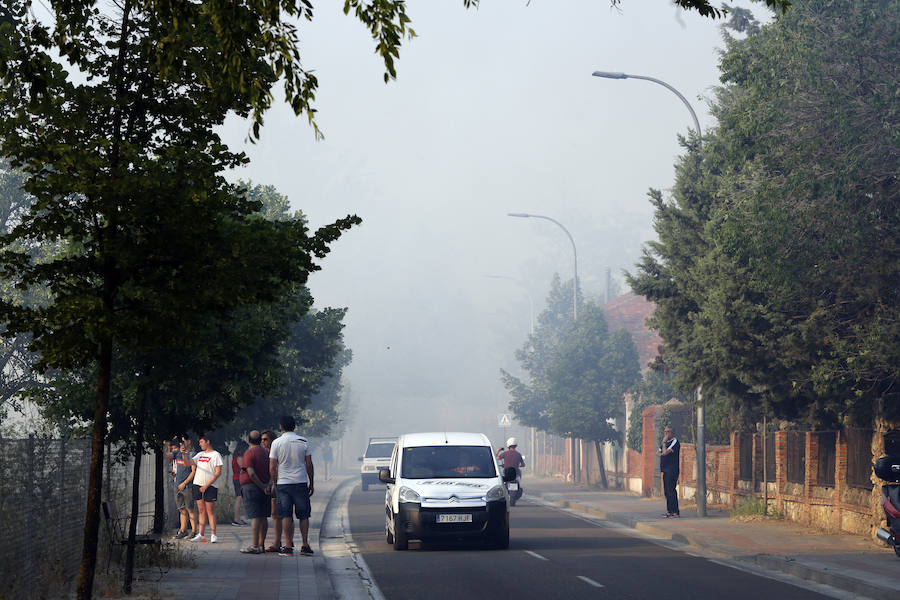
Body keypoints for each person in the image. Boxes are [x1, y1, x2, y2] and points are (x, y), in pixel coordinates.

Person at [269, 415, 314, 557]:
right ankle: (305, 545)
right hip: (300, 482)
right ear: (294, 426)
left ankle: (288, 546)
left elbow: (272, 467)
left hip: (283, 483)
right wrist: (311, 482)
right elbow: (309, 464)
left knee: (286, 514)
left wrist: (275, 483)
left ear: (281, 427)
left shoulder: (276, 443)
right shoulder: (304, 441)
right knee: (303, 514)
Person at [239, 430, 271, 554]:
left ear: (249, 440)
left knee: (255, 517)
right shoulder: (266, 452)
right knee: (263, 517)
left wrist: (261, 486)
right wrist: (266, 485)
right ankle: (262, 545)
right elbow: (272, 470)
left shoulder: (249, 453)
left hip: (252, 488)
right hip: (264, 487)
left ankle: (254, 545)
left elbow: (251, 473)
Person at [189, 434, 224, 542]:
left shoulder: (216, 455)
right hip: (197, 484)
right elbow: (187, 463)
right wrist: (183, 454)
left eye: (201, 442)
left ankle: (213, 534)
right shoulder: (200, 454)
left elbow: (218, 473)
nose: (200, 444)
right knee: (201, 510)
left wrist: (206, 485)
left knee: (210, 510)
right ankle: (201, 534)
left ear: (207, 442)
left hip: (210, 486)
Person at [164, 435, 198, 539]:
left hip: (187, 486)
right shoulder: (177, 453)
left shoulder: (193, 454)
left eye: (184, 441)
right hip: (177, 485)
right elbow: (167, 456)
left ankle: (193, 531)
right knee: (181, 509)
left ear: (189, 441)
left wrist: (185, 483)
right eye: (181, 442)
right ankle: (183, 531)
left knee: (190, 509)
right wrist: (163, 446)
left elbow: (193, 471)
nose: (182, 444)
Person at [260, 430, 283, 553]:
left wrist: (272, 483)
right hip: (265, 485)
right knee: (269, 514)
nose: (263, 442)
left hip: (276, 484)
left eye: (265, 439)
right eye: (262, 439)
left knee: (276, 514)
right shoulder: (263, 452)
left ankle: (277, 541)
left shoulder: (276, 451)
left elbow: (275, 469)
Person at [657, 425, 680, 518]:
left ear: (672, 433)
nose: (666, 433)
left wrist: (663, 444)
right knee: (666, 491)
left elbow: (665, 452)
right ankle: (669, 511)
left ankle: (675, 511)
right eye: (665, 432)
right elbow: (658, 453)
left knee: (671, 490)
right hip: (665, 469)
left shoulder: (675, 442)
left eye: (668, 432)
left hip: (672, 469)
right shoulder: (666, 442)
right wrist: (662, 451)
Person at [231, 440, 249, 526]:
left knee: (240, 498)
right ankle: (236, 518)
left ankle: (238, 518)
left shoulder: (235, 457)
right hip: (239, 479)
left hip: (236, 478)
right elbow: (243, 468)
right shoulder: (240, 457)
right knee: (239, 498)